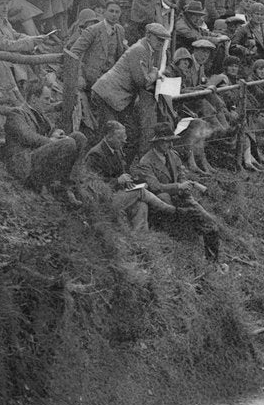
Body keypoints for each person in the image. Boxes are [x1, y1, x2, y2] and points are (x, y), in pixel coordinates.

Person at [133, 122, 221, 262]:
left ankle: (213, 261)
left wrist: (184, 185)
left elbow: (181, 173)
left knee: (210, 224)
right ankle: (192, 252)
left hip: (181, 198)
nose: (171, 145)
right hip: (161, 205)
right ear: (158, 142)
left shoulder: (172, 155)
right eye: (167, 142)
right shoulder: (146, 162)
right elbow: (155, 187)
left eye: (172, 141)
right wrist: (178, 186)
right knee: (180, 218)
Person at [91, 21, 171, 161]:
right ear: (148, 35)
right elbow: (142, 81)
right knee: (111, 135)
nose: (161, 43)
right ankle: (99, 170)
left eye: (163, 40)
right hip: (107, 95)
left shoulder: (147, 50)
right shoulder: (140, 50)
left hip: (116, 98)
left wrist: (151, 72)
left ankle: (120, 169)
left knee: (129, 134)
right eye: (158, 39)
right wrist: (155, 73)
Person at [81, 119, 179, 230]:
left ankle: (142, 239)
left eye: (124, 137)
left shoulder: (116, 150)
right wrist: (117, 181)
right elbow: (94, 187)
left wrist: (136, 182)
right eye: (120, 138)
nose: (124, 141)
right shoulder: (95, 154)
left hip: (118, 194)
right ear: (108, 137)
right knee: (139, 191)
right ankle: (170, 209)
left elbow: (123, 176)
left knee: (142, 205)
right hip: (104, 201)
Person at [3, 83, 88, 203]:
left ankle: (67, 187)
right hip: (24, 162)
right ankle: (44, 186)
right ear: (33, 99)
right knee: (68, 143)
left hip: (36, 156)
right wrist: (51, 141)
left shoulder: (39, 114)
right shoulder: (17, 113)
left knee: (79, 138)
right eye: (46, 99)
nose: (49, 102)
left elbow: (51, 130)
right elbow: (27, 137)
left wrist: (57, 133)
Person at [68, 0, 126, 89]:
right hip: (92, 79)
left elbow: (124, 52)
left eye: (117, 12)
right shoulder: (93, 30)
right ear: (104, 12)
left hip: (111, 77)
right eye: (111, 11)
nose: (114, 14)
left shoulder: (120, 30)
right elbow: (74, 53)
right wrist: (79, 76)